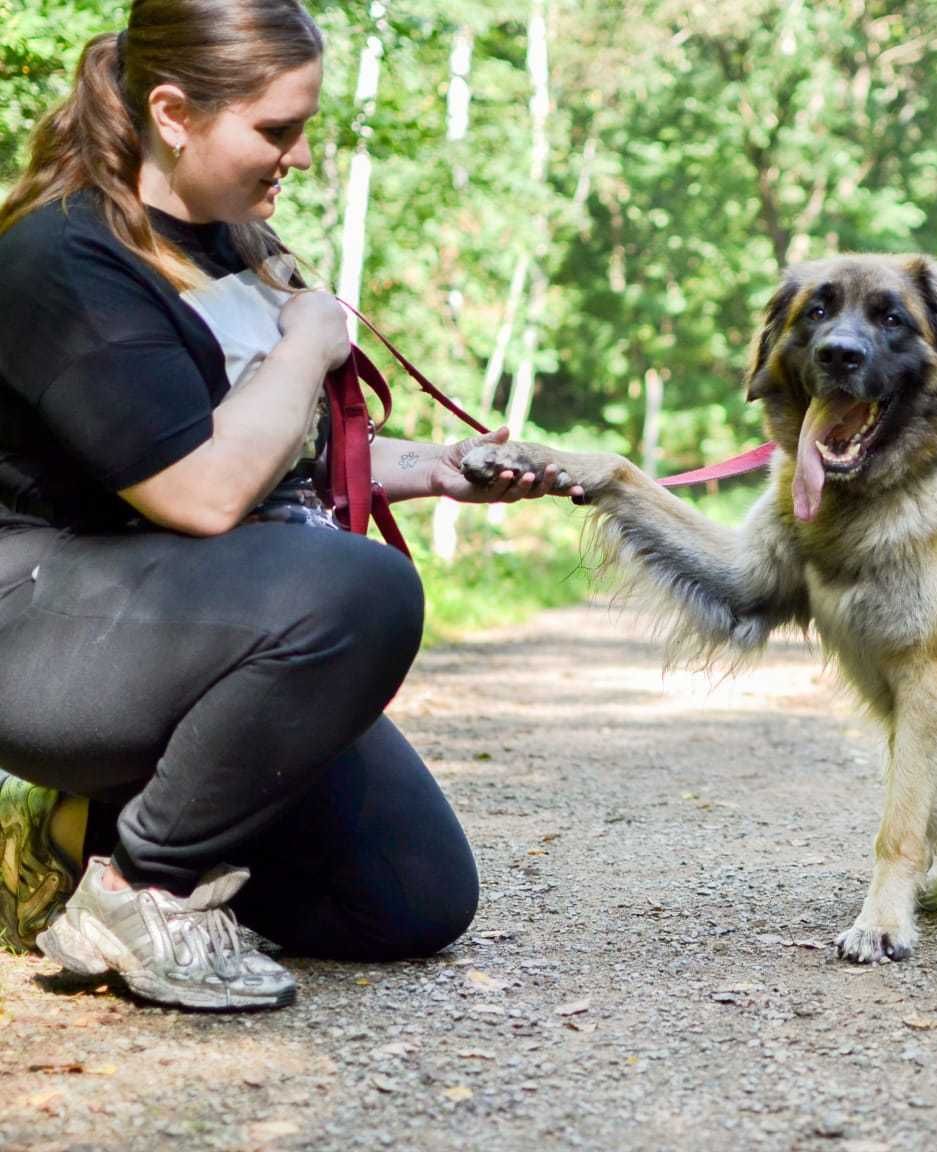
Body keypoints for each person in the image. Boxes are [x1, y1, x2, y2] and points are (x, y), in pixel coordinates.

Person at [0, 0, 569, 1010]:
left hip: (164, 620)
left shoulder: (226, 244)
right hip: (37, 631)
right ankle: (145, 889)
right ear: (172, 111)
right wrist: (311, 339)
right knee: (362, 588)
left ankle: (57, 845)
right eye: (276, 129)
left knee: (409, 902)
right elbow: (202, 489)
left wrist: (435, 466)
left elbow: (260, 449)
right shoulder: (65, 261)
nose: (297, 157)